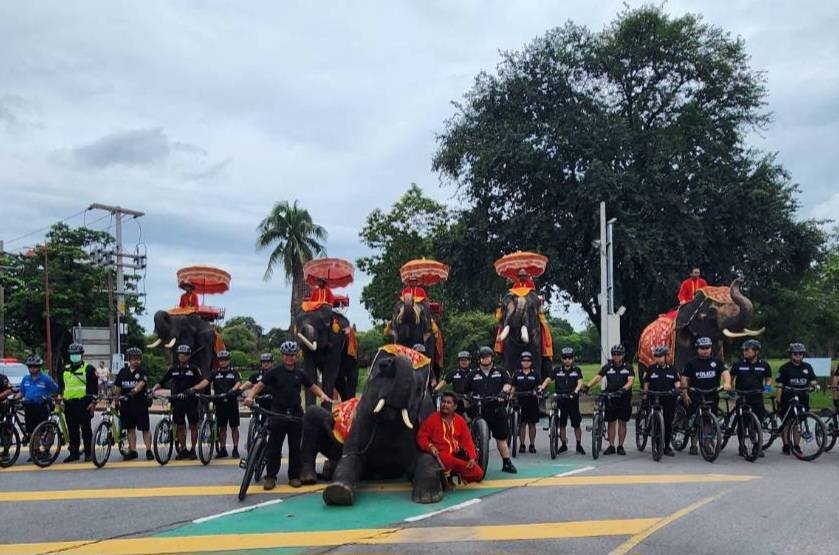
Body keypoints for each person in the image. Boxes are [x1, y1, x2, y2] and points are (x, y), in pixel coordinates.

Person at [244, 341, 332, 490]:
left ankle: (294, 477)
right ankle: (271, 477)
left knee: (295, 448)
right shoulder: (274, 372)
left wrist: (323, 395)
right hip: (278, 413)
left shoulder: (300, 373)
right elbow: (259, 386)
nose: (289, 358)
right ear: (282, 356)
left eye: (292, 355)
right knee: (274, 447)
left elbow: (312, 386)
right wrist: (250, 397)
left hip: (295, 414)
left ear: (296, 357)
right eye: (286, 355)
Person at [464, 346, 516, 473]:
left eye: (488, 357)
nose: (485, 359)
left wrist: (504, 393)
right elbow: (465, 393)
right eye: (483, 357)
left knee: (501, 438)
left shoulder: (501, 371)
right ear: (479, 359)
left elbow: (508, 383)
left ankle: (507, 463)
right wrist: (467, 409)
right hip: (479, 410)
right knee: (475, 439)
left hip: (497, 409)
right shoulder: (472, 374)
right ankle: (474, 462)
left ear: (492, 357)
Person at [152, 344, 209, 460]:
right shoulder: (173, 369)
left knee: (193, 425)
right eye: (180, 354)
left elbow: (202, 382)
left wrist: (194, 389)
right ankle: (183, 448)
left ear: (189, 356)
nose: (182, 356)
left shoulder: (194, 369)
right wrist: (153, 389)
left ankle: (193, 449)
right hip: (177, 400)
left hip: (191, 400)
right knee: (180, 426)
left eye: (185, 354)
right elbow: (162, 381)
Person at [417, 391, 483, 484]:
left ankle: (457, 470)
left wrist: (472, 458)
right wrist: (430, 446)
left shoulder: (460, 420)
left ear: (455, 406)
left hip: (456, 455)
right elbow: (421, 436)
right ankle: (458, 470)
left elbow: (467, 441)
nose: (445, 405)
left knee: (479, 474)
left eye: (448, 403)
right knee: (445, 459)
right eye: (443, 402)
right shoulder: (432, 419)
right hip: (440, 456)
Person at [681, 336, 730, 455]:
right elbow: (684, 378)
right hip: (695, 395)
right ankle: (693, 444)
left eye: (707, 347)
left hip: (712, 395)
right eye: (702, 348)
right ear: (697, 349)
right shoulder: (691, 363)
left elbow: (725, 373)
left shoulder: (716, 362)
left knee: (709, 420)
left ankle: (707, 442)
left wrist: (727, 383)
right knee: (694, 420)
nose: (705, 350)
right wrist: (685, 393)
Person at [585, 345, 634, 455]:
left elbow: (630, 381)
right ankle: (611, 446)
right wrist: (588, 386)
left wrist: (623, 389)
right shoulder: (608, 366)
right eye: (614, 354)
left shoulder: (628, 367)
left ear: (623, 355)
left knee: (622, 422)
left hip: (623, 397)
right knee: (611, 423)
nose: (616, 356)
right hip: (610, 397)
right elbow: (598, 377)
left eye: (618, 354)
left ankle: (620, 446)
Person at [539, 346, 585, 454]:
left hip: (572, 399)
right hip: (560, 399)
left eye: (569, 358)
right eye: (565, 358)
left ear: (573, 359)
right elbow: (548, 379)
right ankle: (563, 444)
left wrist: (576, 391)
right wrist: (542, 387)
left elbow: (580, 382)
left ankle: (579, 445)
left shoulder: (577, 370)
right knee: (562, 424)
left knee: (576, 424)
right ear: (562, 359)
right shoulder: (557, 370)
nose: (567, 360)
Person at [776, 343, 819, 455]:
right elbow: (779, 386)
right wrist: (778, 400)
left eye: (800, 353)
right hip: (788, 398)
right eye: (795, 353)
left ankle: (796, 445)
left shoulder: (807, 367)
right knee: (787, 422)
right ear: (791, 354)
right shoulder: (784, 368)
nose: (798, 355)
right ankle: (785, 445)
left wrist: (815, 385)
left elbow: (813, 380)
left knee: (798, 422)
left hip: (802, 397)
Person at [58, 343, 98, 463]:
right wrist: (60, 396)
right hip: (69, 404)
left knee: (86, 429)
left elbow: (94, 388)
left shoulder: (88, 369)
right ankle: (74, 453)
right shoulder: (65, 369)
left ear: (81, 355)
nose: (74, 356)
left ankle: (88, 453)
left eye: (77, 354)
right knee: (72, 430)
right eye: (72, 354)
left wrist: (93, 403)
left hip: (84, 403)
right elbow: (62, 385)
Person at [114, 347, 152, 460]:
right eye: (134, 359)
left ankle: (149, 450)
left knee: (145, 429)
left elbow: (141, 384)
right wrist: (116, 401)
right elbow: (118, 388)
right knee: (130, 429)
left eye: (138, 359)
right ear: (129, 359)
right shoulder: (122, 372)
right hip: (126, 406)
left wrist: (132, 392)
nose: (136, 361)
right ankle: (133, 450)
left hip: (140, 405)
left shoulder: (142, 371)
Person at [642, 346, 680, 456]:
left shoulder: (673, 369)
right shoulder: (651, 369)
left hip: (668, 398)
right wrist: (645, 396)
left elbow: (677, 384)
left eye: (660, 356)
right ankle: (657, 442)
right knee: (656, 422)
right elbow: (646, 384)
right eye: (656, 356)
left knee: (668, 423)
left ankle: (667, 446)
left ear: (666, 357)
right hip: (654, 397)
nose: (658, 359)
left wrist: (677, 391)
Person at [727, 339, 772, 422]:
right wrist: (732, 390)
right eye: (744, 350)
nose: (745, 352)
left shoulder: (764, 365)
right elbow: (730, 379)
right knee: (741, 421)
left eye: (747, 350)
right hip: (742, 395)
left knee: (759, 420)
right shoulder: (738, 364)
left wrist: (767, 387)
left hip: (757, 395)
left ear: (757, 351)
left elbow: (768, 379)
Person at [15, 356, 59, 441]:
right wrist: (14, 399)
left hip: (42, 406)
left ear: (39, 367)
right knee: (31, 431)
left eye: (35, 366)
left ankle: (46, 450)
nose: (32, 369)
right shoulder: (25, 379)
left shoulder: (46, 379)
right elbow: (22, 392)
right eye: (30, 366)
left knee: (43, 429)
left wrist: (55, 398)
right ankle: (36, 450)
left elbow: (55, 390)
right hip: (29, 406)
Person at [209, 350, 241, 459]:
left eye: (225, 360)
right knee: (222, 428)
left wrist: (233, 389)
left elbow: (238, 382)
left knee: (234, 427)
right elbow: (206, 381)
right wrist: (195, 388)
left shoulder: (234, 372)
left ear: (229, 361)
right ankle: (223, 449)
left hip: (231, 403)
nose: (223, 362)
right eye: (221, 360)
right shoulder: (214, 372)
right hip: (219, 403)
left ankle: (235, 449)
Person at [512, 351, 540, 454]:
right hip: (520, 401)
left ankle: (532, 444)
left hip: (532, 401)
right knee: (522, 424)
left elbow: (539, 386)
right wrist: (510, 396)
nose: (526, 362)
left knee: (532, 424)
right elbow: (513, 387)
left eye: (528, 360)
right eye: (524, 360)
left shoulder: (535, 374)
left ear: (531, 362)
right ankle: (522, 444)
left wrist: (539, 392)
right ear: (521, 362)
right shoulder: (517, 373)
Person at [434, 351, 473, 415]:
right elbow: (444, 381)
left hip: (469, 398)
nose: (463, 362)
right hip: (456, 398)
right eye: (461, 360)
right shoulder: (454, 372)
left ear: (469, 361)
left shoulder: (473, 373)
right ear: (459, 361)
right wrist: (435, 390)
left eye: (465, 360)